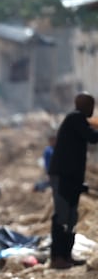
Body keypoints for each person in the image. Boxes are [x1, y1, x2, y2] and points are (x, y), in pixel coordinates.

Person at [48, 93, 98, 269]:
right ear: (85, 106)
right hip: (63, 177)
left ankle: (66, 255)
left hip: (73, 178)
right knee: (62, 216)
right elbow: (92, 137)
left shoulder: (77, 120)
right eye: (92, 106)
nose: (93, 110)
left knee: (71, 218)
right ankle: (56, 257)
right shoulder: (75, 118)